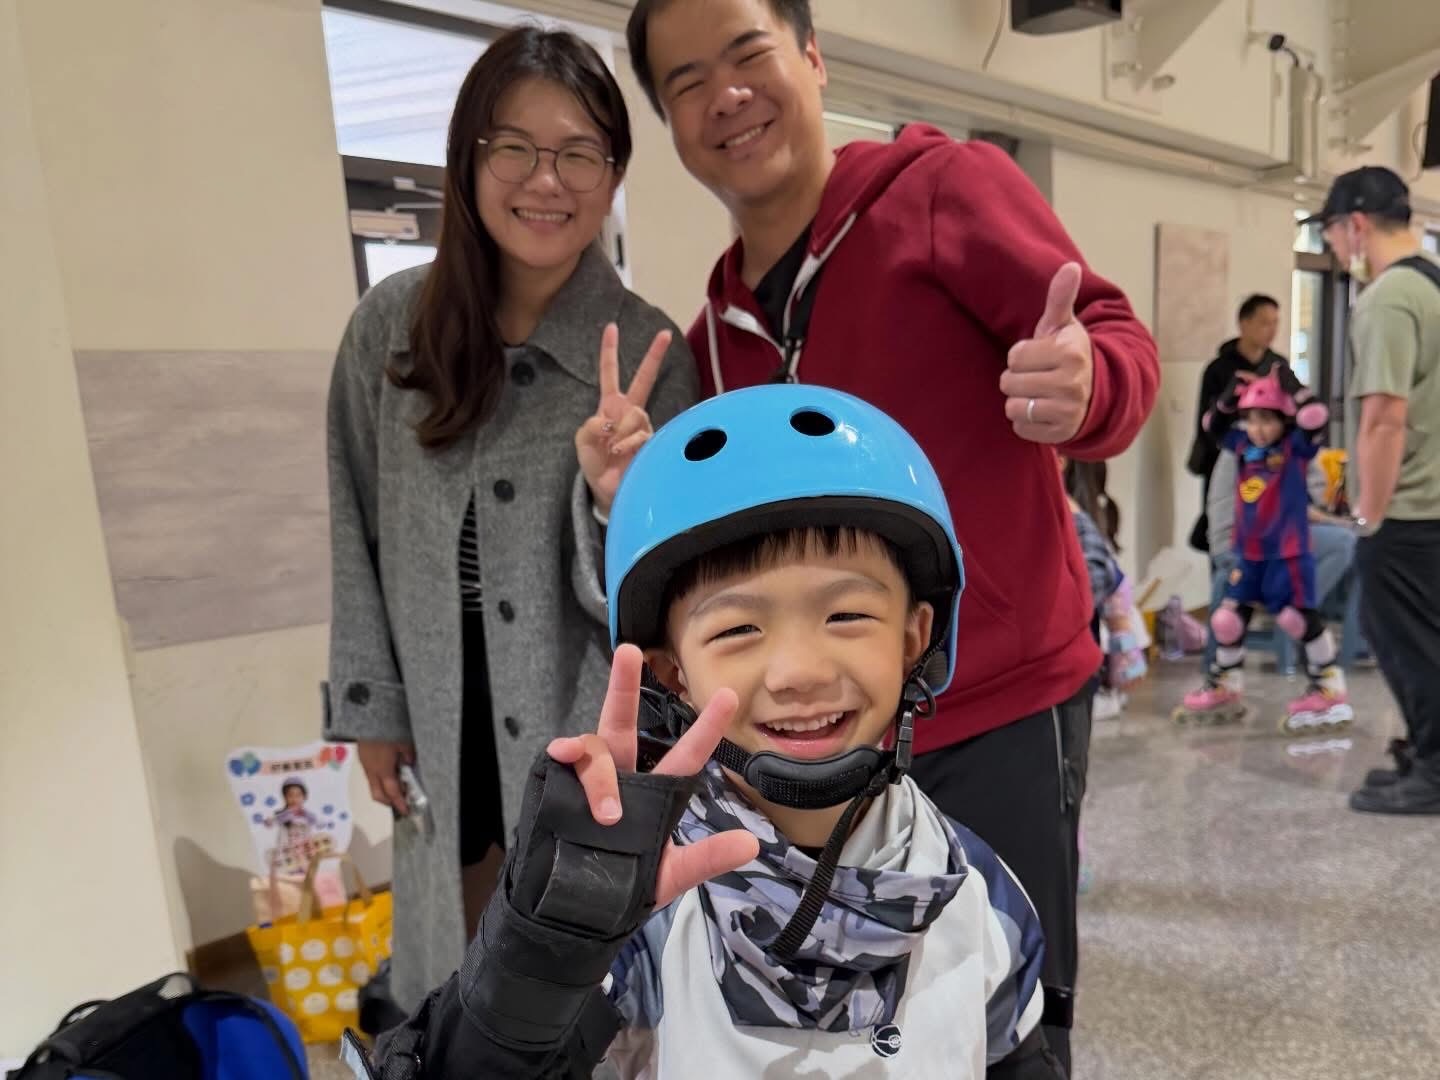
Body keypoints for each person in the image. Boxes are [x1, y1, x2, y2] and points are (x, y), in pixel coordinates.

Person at [621, 3, 1159, 1065]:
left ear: (813, 57)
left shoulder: (941, 191)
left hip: (996, 701)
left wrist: (1088, 382)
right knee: (862, 1025)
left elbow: (1111, 337)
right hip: (826, 734)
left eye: (748, 53)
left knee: (1012, 1010)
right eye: (686, 83)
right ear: (671, 124)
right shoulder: (715, 335)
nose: (726, 95)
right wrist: (628, 490)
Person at [353, 385, 1066, 1079]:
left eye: (847, 615)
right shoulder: (644, 913)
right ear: (673, 674)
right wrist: (542, 946)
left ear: (914, 638)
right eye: (738, 629)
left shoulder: (978, 893)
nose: (799, 671)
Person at [323, 26, 697, 1014]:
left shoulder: (655, 356)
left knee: (577, 991)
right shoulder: (391, 329)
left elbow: (671, 601)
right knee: (453, 975)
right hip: (437, 714)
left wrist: (614, 499)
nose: (546, 179)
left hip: (579, 717)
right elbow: (353, 519)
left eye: (579, 152)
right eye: (515, 147)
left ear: (613, 174)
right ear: (468, 158)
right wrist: (372, 709)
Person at [1315, 166, 1440, 815]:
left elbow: (1385, 417)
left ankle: (1435, 770)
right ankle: (1425, 751)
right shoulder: (1433, 282)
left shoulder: (1389, 296)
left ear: (1356, 226)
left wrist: (1369, 515)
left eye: (1333, 236)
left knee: (1406, 642)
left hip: (1411, 509)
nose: (1337, 251)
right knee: (1425, 637)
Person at [1173, 374, 1352, 734]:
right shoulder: (1242, 446)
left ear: (1283, 421)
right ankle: (1227, 685)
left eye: (1267, 420)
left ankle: (1329, 688)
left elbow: (1315, 417)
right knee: (1227, 620)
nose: (1257, 428)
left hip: (1288, 553)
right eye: (1252, 419)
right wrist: (1229, 396)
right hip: (1249, 553)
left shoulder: (1294, 448)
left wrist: (1294, 386)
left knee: (1295, 618)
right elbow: (1213, 426)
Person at [1185, 294, 1289, 553]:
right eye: (1264, 322)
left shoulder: (1278, 366)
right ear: (1244, 323)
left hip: (1269, 463)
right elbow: (1206, 425)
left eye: (1275, 322)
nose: (1271, 330)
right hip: (1224, 462)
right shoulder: (1218, 369)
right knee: (1222, 532)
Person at [1061, 457, 1146, 720]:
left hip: (1072, 670)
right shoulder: (1080, 517)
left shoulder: (1075, 521)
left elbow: (1110, 586)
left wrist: (1125, 645)